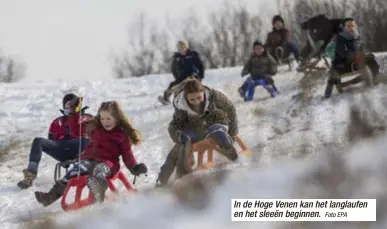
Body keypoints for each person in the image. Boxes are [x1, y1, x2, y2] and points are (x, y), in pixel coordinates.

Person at [34, 101, 148, 207]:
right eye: (102, 118)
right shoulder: (94, 127)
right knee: (72, 173)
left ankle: (99, 189)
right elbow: (75, 131)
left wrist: (134, 167)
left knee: (100, 169)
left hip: (108, 164)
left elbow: (127, 155)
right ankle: (50, 197)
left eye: (108, 118)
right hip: (88, 160)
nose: (105, 122)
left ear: (117, 119)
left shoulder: (122, 135)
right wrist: (74, 114)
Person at [156, 79, 239, 187]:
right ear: (186, 97)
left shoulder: (213, 95)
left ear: (203, 92)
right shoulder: (181, 106)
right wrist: (180, 136)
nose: (196, 101)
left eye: (199, 97)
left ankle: (232, 154)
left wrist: (233, 133)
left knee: (216, 131)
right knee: (178, 148)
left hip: (216, 122)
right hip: (195, 130)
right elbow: (173, 126)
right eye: (192, 99)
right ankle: (162, 179)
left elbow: (230, 108)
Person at [17, 93, 92, 189]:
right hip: (61, 148)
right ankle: (30, 174)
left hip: (81, 147)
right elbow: (51, 142)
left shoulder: (87, 118)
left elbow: (97, 137)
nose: (70, 106)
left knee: (87, 140)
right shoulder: (57, 122)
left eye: (73, 104)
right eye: (68, 104)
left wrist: (76, 114)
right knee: (38, 141)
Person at [324, 17, 380, 98]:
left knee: (370, 57)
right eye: (348, 26)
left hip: (354, 63)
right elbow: (339, 52)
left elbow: (361, 49)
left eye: (353, 25)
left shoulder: (355, 37)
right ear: (344, 27)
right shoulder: (339, 37)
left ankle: (375, 77)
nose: (351, 27)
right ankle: (327, 94)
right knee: (366, 57)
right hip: (342, 65)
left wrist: (364, 53)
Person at [159, 40, 205, 105]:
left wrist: (201, 76)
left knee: (192, 86)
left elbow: (200, 66)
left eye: (184, 48)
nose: (182, 50)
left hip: (193, 75)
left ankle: (202, 98)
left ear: (187, 47)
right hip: (183, 76)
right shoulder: (177, 58)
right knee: (173, 85)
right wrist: (177, 78)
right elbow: (174, 69)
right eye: (180, 49)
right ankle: (166, 98)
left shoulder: (192, 55)